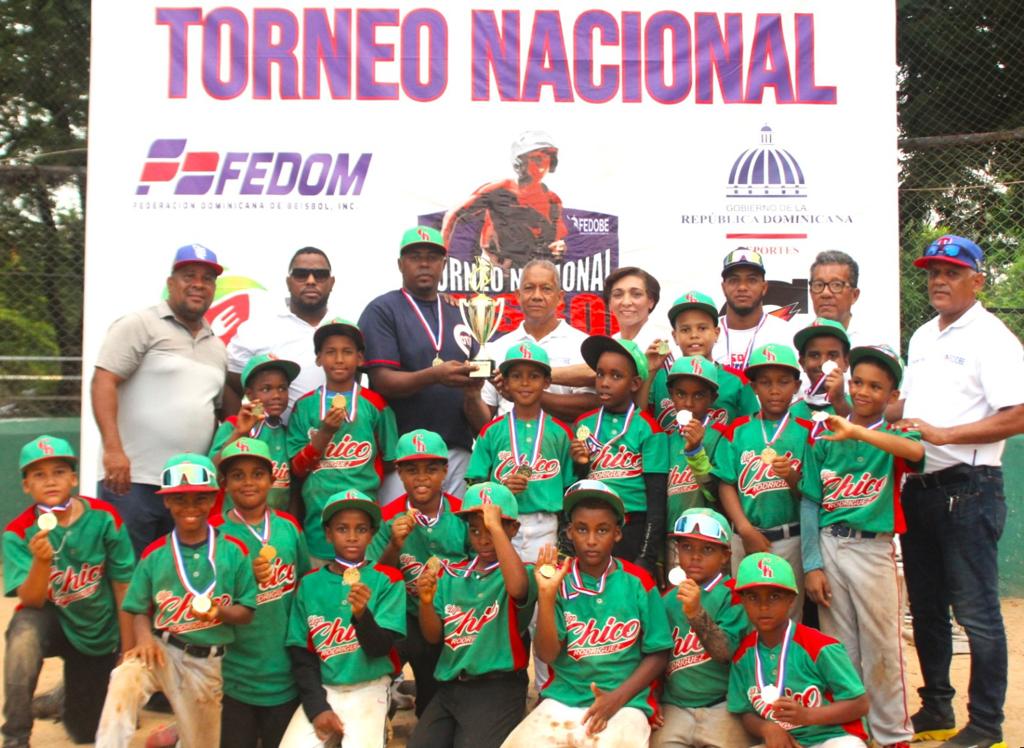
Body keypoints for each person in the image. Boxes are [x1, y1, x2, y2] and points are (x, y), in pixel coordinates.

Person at [890, 235, 1024, 748]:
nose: (939, 281)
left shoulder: (993, 337)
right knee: (926, 610)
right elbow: (910, 407)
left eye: (951, 272)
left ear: (977, 280)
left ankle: (986, 725)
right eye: (932, 272)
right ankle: (937, 708)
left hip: (969, 488)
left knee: (976, 614)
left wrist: (946, 435)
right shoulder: (924, 335)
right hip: (920, 487)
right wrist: (859, 406)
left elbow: (1018, 413)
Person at [801, 345, 924, 748]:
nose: (864, 391)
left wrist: (857, 431)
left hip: (873, 549)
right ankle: (855, 731)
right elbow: (810, 500)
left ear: (892, 395)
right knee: (840, 647)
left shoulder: (895, 434)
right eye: (858, 382)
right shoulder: (823, 433)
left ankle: (892, 736)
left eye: (876, 386)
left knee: (883, 647)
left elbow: (916, 452)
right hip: (829, 543)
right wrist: (812, 563)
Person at [95, 454, 258, 748]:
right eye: (179, 499)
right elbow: (137, 608)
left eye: (200, 499)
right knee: (124, 678)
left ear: (213, 499)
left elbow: (246, 612)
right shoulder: (155, 553)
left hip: (206, 662)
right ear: (167, 502)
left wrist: (219, 612)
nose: (190, 507)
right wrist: (143, 639)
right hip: (162, 649)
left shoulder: (234, 551)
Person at [501, 480, 672, 746]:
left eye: (602, 530)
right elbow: (547, 654)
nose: (591, 540)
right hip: (565, 698)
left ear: (617, 533)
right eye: (582, 529)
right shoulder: (559, 579)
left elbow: (659, 653)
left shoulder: (638, 581)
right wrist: (546, 596)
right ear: (569, 532)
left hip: (624, 701)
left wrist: (616, 699)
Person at [91, 243, 227, 554]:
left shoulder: (217, 347)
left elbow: (214, 412)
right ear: (170, 283)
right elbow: (104, 380)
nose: (198, 284)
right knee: (128, 573)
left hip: (187, 489)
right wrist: (113, 449)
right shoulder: (140, 324)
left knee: (174, 576)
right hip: (132, 479)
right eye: (188, 276)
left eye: (207, 279)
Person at [2, 436, 135, 746]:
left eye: (59, 471)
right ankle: (16, 735)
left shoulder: (104, 517)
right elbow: (31, 600)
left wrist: (127, 650)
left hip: (95, 624)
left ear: (73, 479)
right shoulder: (18, 531)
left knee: (86, 732)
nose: (50, 481)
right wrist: (41, 562)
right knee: (22, 637)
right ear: (26, 486)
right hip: (50, 617)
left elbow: (122, 584)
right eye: (39, 474)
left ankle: (63, 699)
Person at [409, 482, 535, 748]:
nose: (483, 539)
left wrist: (496, 528)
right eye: (475, 530)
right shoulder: (452, 575)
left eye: (491, 530)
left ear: (513, 529)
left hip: (498, 686)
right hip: (451, 684)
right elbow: (433, 636)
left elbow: (518, 588)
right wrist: (426, 602)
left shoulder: (522, 573)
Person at [358, 226, 480, 501]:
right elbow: (382, 381)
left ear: (444, 265)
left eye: (432, 257)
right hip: (402, 454)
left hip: (454, 451)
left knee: (453, 527)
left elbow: (474, 386)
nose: (424, 264)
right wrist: (434, 375)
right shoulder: (383, 309)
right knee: (400, 527)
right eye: (415, 257)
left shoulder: (460, 312)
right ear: (400, 264)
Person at [280, 489, 406, 747]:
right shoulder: (309, 584)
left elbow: (381, 648)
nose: (351, 537)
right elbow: (301, 656)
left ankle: (382, 722)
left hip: (370, 686)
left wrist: (362, 615)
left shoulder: (387, 579)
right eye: (342, 529)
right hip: (325, 689)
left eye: (361, 529)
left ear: (372, 533)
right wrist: (317, 708)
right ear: (328, 533)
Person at [209, 438, 311, 748]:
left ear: (272, 478)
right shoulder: (213, 533)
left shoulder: (289, 528)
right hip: (233, 677)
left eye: (257, 474)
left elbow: (304, 589)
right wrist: (245, 582)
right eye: (237, 475)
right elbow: (204, 601)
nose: (248, 482)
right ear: (224, 483)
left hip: (284, 674)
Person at [367, 429, 472, 717]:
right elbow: (375, 582)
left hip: (454, 618)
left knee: (433, 702)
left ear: (445, 471)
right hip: (406, 618)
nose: (422, 477)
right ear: (399, 473)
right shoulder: (388, 518)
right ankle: (381, 701)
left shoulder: (463, 514)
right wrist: (394, 546)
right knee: (385, 649)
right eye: (412, 470)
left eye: (431, 469)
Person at [728, 552, 869, 747]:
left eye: (774, 596)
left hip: (832, 738)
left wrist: (807, 715)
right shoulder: (743, 656)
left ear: (791, 599)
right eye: (753, 597)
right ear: (742, 600)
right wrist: (765, 728)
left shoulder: (819, 646)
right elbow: (744, 711)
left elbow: (860, 704)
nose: (763, 606)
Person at [287, 318, 397, 565]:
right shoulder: (304, 407)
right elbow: (296, 469)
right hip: (317, 528)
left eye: (347, 352)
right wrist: (325, 433)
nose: (339, 359)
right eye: (330, 352)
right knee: (320, 585)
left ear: (360, 358)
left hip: (365, 528)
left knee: (364, 586)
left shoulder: (376, 405)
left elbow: (390, 460)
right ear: (318, 358)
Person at [714, 344, 814, 614]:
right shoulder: (738, 430)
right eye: (765, 382)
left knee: (787, 612)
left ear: (796, 386)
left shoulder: (806, 431)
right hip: (745, 535)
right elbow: (726, 483)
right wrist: (745, 529)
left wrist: (791, 476)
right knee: (745, 612)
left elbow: (811, 494)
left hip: (790, 536)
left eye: (783, 382)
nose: (774, 390)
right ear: (754, 387)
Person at [466, 342, 575, 562]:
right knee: (504, 580)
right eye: (516, 376)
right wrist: (501, 490)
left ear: (547, 382)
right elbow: (474, 483)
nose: (525, 383)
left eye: (534, 376)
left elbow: (569, 487)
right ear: (505, 382)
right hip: (502, 521)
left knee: (542, 579)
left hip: (546, 523)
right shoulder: (492, 431)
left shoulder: (561, 432)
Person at [654, 508, 750, 748]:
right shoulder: (666, 600)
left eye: (707, 549)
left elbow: (724, 652)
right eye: (687, 547)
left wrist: (696, 613)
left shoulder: (733, 594)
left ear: (725, 556)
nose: (695, 556)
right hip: (675, 705)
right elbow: (654, 658)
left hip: (721, 704)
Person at [571, 336, 668, 572]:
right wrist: (581, 464)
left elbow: (656, 498)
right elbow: (574, 485)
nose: (605, 383)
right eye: (600, 374)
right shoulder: (583, 424)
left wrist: (647, 555)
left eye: (616, 376)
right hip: (591, 528)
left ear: (635, 383)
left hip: (633, 527)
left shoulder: (649, 429)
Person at [473, 258, 597, 423]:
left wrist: (523, 391)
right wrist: (471, 393)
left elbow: (588, 409)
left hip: (562, 440)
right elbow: (482, 423)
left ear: (560, 297)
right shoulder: (496, 348)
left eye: (546, 289)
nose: (537, 296)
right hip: (507, 439)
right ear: (518, 295)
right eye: (529, 288)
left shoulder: (581, 344)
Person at [226, 246, 337, 418]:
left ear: (331, 282)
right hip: (274, 434)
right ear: (288, 282)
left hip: (339, 434)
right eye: (301, 274)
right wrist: (241, 428)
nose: (310, 281)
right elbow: (232, 385)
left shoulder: (344, 329)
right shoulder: (255, 329)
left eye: (320, 275)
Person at [442, 130, 568, 271]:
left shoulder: (552, 200)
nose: (542, 164)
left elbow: (556, 241)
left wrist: (558, 248)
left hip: (530, 273)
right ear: (519, 162)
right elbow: (453, 215)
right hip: (493, 271)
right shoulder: (498, 190)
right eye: (536, 158)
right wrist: (442, 254)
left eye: (546, 158)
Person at [641, 290, 759, 431]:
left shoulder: (736, 380)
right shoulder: (659, 376)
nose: (694, 335)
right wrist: (650, 372)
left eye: (702, 328)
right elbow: (637, 419)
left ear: (716, 333)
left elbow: (754, 427)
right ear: (674, 336)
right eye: (685, 330)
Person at [661, 357, 729, 570]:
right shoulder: (665, 439)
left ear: (713, 398)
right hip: (674, 537)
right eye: (681, 394)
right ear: (671, 394)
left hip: (710, 538)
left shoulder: (722, 436)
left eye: (698, 395)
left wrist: (696, 451)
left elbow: (716, 494)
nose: (689, 403)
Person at [210, 353, 300, 511]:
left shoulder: (287, 432)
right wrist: (239, 433)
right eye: (266, 389)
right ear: (249, 394)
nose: (276, 395)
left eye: (282, 388)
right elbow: (211, 473)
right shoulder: (233, 425)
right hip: (236, 520)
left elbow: (293, 487)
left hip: (275, 521)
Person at [711, 249, 793, 371]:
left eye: (751, 280)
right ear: (724, 288)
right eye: (734, 280)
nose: (742, 287)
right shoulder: (706, 334)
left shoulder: (786, 334)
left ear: (764, 287)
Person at [604, 266, 679, 359]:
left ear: (651, 301)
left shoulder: (663, 344)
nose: (626, 302)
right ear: (609, 303)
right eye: (618, 295)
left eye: (636, 294)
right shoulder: (607, 346)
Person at [790, 317, 851, 421]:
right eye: (815, 355)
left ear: (846, 363)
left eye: (832, 355)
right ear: (802, 363)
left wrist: (839, 401)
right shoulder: (789, 413)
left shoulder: (862, 408)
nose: (823, 363)